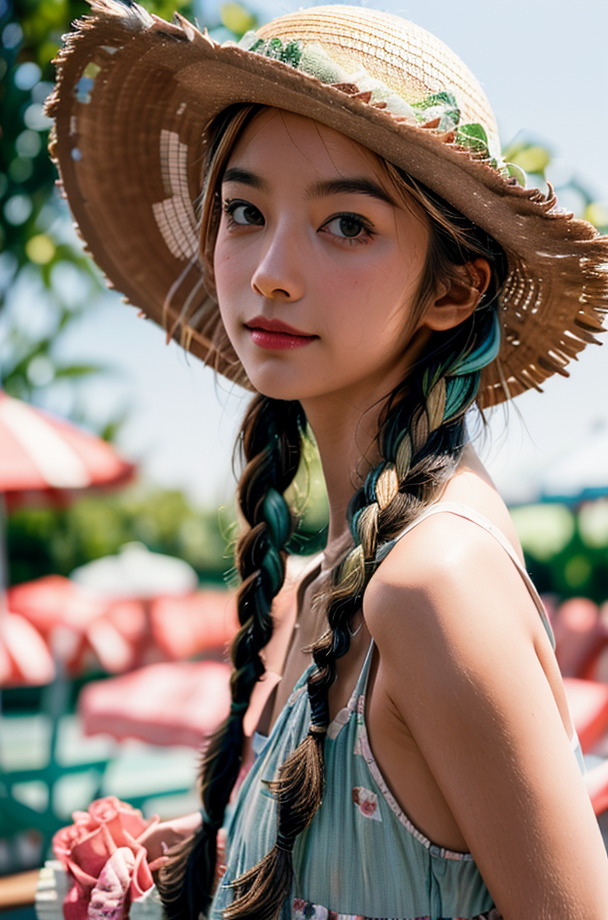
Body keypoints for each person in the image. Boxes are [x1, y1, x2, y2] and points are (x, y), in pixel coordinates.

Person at [48, 3, 608, 918]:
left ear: (455, 288)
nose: (271, 268)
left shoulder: (433, 586)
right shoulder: (342, 572)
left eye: (347, 224)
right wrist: (217, 866)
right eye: (244, 210)